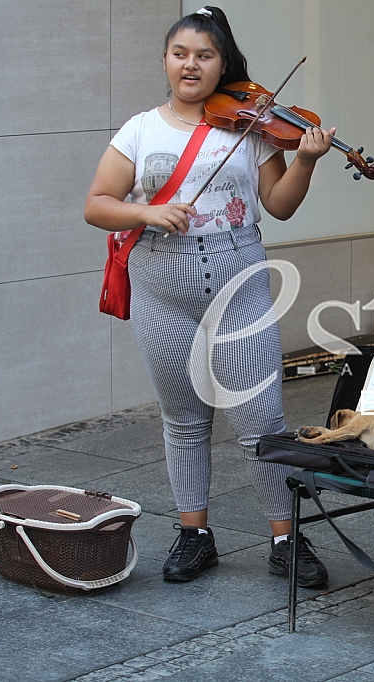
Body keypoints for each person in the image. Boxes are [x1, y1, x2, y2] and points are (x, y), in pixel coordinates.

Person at [84, 6, 333, 587]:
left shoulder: (251, 127)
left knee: (260, 421)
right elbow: (98, 203)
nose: (191, 65)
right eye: (181, 54)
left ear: (223, 65)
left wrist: (306, 160)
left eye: (204, 55)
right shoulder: (141, 129)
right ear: (167, 61)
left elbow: (280, 204)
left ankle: (285, 537)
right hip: (162, 292)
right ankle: (194, 533)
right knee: (184, 420)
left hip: (238, 289)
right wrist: (145, 209)